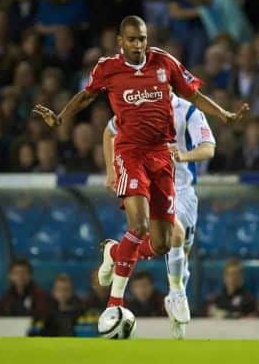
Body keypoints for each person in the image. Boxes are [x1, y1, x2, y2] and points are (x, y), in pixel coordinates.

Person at [33, 15, 248, 328]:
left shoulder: (164, 63)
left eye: (143, 39)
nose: (138, 45)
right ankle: (115, 303)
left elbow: (193, 94)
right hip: (130, 154)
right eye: (132, 39)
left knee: (163, 243)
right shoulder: (108, 68)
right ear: (121, 41)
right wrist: (62, 117)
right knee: (140, 223)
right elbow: (86, 95)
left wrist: (224, 114)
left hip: (161, 158)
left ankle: (113, 251)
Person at [103, 92, 215, 338]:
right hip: (152, 185)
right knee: (175, 234)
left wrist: (183, 155)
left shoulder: (187, 110)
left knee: (178, 252)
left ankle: (114, 252)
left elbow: (208, 148)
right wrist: (112, 171)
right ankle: (176, 293)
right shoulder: (135, 105)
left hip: (185, 191)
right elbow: (109, 132)